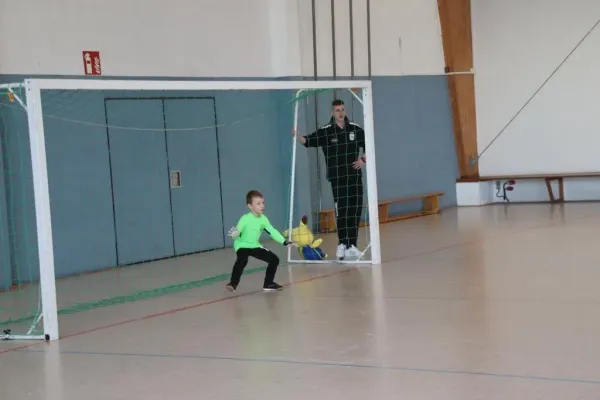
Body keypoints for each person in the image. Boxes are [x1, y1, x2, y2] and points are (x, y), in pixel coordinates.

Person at [294, 99, 366, 260]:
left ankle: (352, 246)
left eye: (342, 109)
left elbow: (368, 144)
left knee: (354, 212)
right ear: (332, 113)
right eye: (337, 110)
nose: (340, 113)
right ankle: (342, 245)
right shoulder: (327, 131)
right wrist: (297, 136)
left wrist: (363, 160)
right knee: (342, 212)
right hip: (337, 179)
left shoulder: (355, 129)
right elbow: (308, 141)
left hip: (354, 177)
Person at [225, 190, 295, 292]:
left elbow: (272, 231)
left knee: (274, 260)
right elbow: (237, 232)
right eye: (258, 203)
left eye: (263, 203)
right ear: (250, 206)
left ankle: (268, 283)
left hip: (255, 246)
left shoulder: (263, 219)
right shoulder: (245, 218)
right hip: (242, 245)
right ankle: (233, 284)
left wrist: (284, 241)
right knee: (242, 260)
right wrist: (234, 235)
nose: (262, 206)